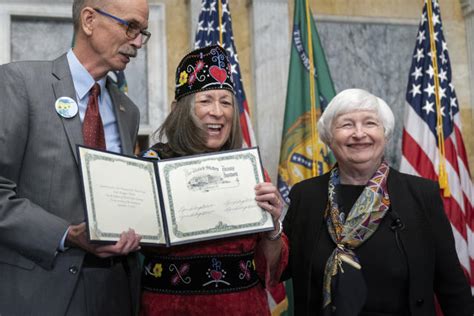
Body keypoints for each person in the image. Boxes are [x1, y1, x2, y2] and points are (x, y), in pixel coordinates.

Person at [0, 0, 150, 314]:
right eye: (131, 27)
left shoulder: (128, 111)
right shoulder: (19, 84)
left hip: (115, 294)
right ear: (89, 20)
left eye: (143, 32)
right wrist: (67, 235)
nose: (137, 41)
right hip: (40, 295)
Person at [281, 88, 474, 315]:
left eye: (370, 123)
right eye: (346, 125)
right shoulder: (305, 195)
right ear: (329, 138)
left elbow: (451, 285)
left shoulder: (422, 194)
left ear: (385, 133)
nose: (359, 133)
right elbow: (280, 269)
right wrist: (269, 224)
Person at [139, 45, 288, 315]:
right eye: (206, 100)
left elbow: (271, 270)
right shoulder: (152, 166)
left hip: (245, 308)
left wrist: (273, 227)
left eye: (226, 102)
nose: (217, 112)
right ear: (180, 110)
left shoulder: (250, 171)